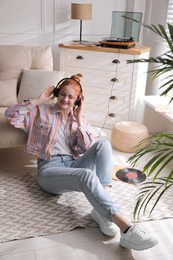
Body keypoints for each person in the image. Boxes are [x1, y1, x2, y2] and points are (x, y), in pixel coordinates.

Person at [5, 74, 158, 251]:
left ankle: (101, 213)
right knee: (86, 175)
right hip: (49, 170)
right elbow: (10, 114)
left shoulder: (80, 120)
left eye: (71, 97)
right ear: (56, 93)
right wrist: (39, 99)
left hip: (73, 164)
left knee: (103, 144)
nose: (65, 99)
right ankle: (127, 229)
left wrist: (78, 118)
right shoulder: (42, 111)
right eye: (62, 94)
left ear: (77, 100)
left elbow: (86, 147)